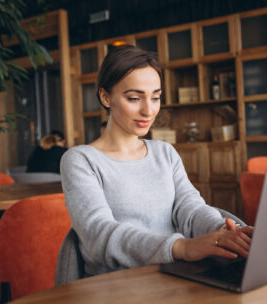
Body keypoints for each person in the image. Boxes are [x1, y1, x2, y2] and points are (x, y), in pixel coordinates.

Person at [57, 45, 253, 279]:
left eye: (156, 97)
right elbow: (99, 234)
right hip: (116, 285)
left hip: (175, 275)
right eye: (134, 98)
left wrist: (225, 232)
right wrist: (181, 247)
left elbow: (190, 209)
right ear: (105, 97)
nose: (148, 110)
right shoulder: (81, 160)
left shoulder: (165, 153)